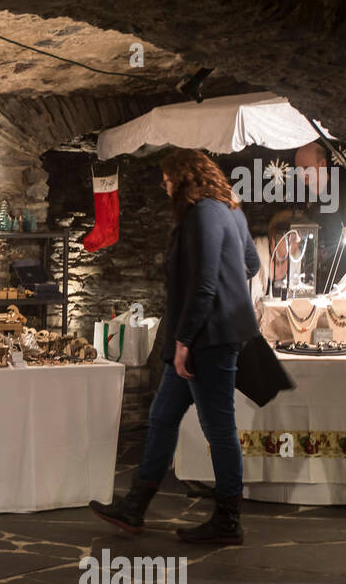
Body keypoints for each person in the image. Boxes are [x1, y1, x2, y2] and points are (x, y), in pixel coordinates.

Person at [91, 148, 260, 544]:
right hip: (212, 333)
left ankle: (228, 520)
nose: (163, 184)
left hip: (208, 339)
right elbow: (249, 264)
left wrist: (184, 341)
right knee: (163, 416)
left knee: (219, 428)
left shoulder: (202, 213)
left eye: (167, 177)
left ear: (183, 177)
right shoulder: (231, 210)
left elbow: (203, 283)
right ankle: (135, 507)